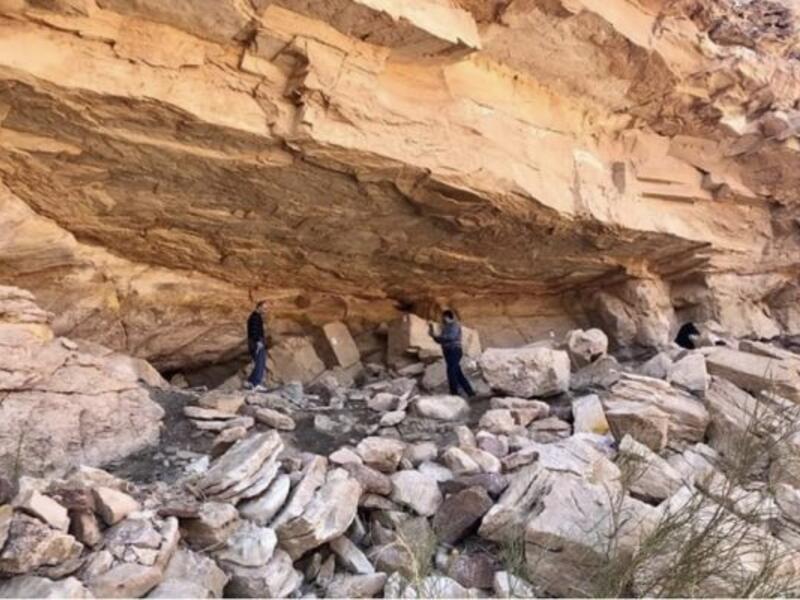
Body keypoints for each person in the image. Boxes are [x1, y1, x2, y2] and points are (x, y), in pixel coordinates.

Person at [429, 310, 475, 398]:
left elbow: (451, 337)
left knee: (451, 371)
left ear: (448, 317)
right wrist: (433, 335)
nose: (442, 319)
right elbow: (440, 340)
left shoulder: (455, 325)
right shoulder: (445, 327)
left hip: (455, 350)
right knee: (457, 372)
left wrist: (439, 337)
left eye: (444, 317)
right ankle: (470, 392)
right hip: (447, 351)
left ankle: (454, 393)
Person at [244, 301, 268, 391]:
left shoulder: (256, 316)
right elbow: (254, 330)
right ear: (259, 307)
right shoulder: (255, 317)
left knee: (259, 362)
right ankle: (256, 383)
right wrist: (258, 341)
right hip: (256, 342)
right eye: (264, 308)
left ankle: (250, 381)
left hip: (254, 341)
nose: (266, 310)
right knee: (260, 362)